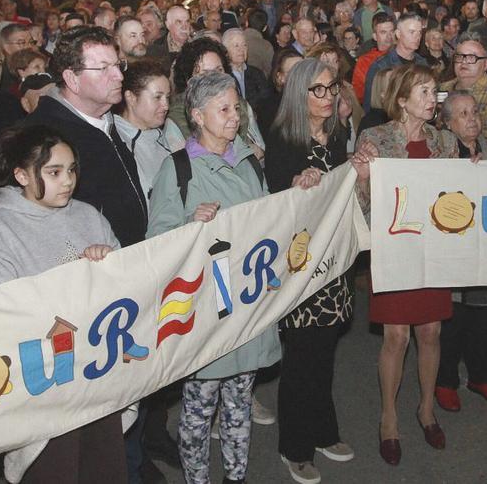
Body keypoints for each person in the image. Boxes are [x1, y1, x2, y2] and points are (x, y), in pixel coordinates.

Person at [0, 124, 130, 482]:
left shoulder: (87, 214)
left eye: (71, 170)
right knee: (56, 471)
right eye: (54, 172)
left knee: (104, 469)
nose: (67, 181)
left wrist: (108, 262)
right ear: (21, 175)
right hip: (45, 382)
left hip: (97, 371)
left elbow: (127, 284)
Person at [146, 72, 281, 484]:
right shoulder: (179, 168)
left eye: (236, 108)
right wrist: (191, 221)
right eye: (223, 109)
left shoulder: (248, 161)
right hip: (205, 307)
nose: (234, 117)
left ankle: (236, 477)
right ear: (198, 116)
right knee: (199, 405)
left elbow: (269, 223)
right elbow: (156, 241)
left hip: (247, 300)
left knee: (240, 400)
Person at [354, 62, 457, 466]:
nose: (433, 100)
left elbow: (457, 196)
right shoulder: (375, 139)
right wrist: (362, 177)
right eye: (425, 92)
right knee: (396, 336)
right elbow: (363, 206)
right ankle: (388, 418)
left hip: (432, 248)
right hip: (394, 248)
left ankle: (426, 409)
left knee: (430, 331)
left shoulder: (444, 142)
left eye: (435, 92)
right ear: (402, 100)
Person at [264, 58, 358, 483]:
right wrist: (295, 184)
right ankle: (294, 447)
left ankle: (322, 430)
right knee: (302, 357)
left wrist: (360, 163)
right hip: (300, 265)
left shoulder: (338, 134)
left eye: (331, 88)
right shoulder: (283, 139)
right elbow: (276, 205)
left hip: (334, 258)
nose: (326, 97)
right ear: (298, 94)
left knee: (325, 352)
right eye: (316, 90)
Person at [23, 26, 147, 246]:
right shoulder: (45, 136)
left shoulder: (106, 119)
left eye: (118, 65)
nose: (119, 76)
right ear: (72, 79)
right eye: (103, 68)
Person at [434, 91, 487, 413]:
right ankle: (445, 380)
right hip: (452, 247)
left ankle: (480, 375)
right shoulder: (440, 151)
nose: (472, 118)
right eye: (463, 114)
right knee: (453, 318)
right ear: (448, 122)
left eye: (475, 111)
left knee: (483, 315)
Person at [116, 59, 184, 203]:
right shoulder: (118, 143)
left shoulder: (164, 137)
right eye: (157, 97)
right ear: (131, 98)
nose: (165, 105)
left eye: (167, 97)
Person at [440, 36, 487, 147]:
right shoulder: (442, 88)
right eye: (459, 57)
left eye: (471, 57)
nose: (463, 62)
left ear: (486, 64)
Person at [361, 12, 427, 112]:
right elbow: (369, 105)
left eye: (420, 32)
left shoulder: (423, 64)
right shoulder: (381, 66)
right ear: (398, 34)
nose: (417, 37)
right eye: (412, 32)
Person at [255, 49, 303, 136]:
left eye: (303, 70)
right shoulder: (269, 109)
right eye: (293, 72)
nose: (300, 76)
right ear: (280, 77)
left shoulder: (315, 100)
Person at [352, 13, 395, 104]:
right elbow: (359, 94)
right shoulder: (364, 61)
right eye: (383, 32)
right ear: (375, 36)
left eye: (391, 31)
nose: (389, 36)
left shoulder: (404, 55)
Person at [222, 28, 269, 106]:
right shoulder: (223, 76)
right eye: (236, 46)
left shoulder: (256, 73)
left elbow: (266, 102)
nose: (241, 49)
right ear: (225, 50)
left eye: (244, 45)